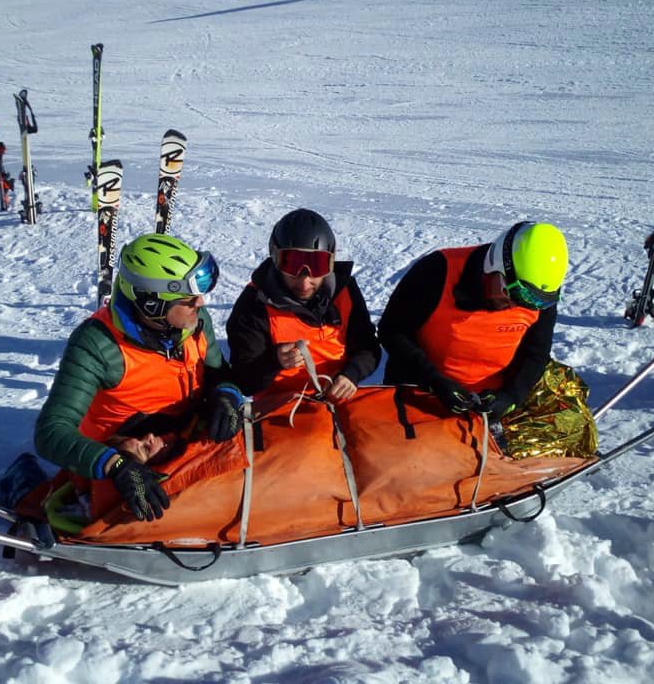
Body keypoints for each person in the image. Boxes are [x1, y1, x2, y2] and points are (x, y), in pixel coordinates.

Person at [34, 233, 244, 522]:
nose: (201, 303)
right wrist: (116, 466)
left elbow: (218, 372)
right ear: (152, 305)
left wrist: (225, 395)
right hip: (126, 455)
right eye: (188, 299)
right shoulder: (97, 344)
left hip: (181, 437)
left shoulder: (193, 323)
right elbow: (51, 432)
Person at [378, 221, 591, 454]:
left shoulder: (536, 299)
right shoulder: (438, 271)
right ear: (495, 266)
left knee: (566, 430)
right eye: (513, 294)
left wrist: (510, 396)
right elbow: (392, 331)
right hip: (428, 387)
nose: (515, 307)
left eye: (533, 302)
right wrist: (434, 381)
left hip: (493, 397)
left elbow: (536, 353)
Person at [226, 208, 381, 402]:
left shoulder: (345, 291)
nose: (305, 283)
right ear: (275, 259)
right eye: (292, 268)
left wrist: (352, 373)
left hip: (338, 402)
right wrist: (274, 361)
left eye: (317, 268)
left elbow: (368, 347)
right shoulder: (254, 305)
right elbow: (244, 382)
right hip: (283, 410)